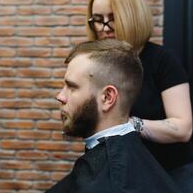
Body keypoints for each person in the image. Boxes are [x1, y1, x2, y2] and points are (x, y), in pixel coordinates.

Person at [86, 0, 193, 192]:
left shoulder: (162, 61)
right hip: (117, 172)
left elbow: (183, 128)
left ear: (132, 17)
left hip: (170, 173)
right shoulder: (94, 64)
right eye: (97, 20)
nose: (104, 28)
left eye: (113, 18)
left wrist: (130, 125)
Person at [46, 39, 181, 192]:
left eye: (72, 87)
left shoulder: (112, 182)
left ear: (107, 98)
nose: (60, 96)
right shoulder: (128, 160)